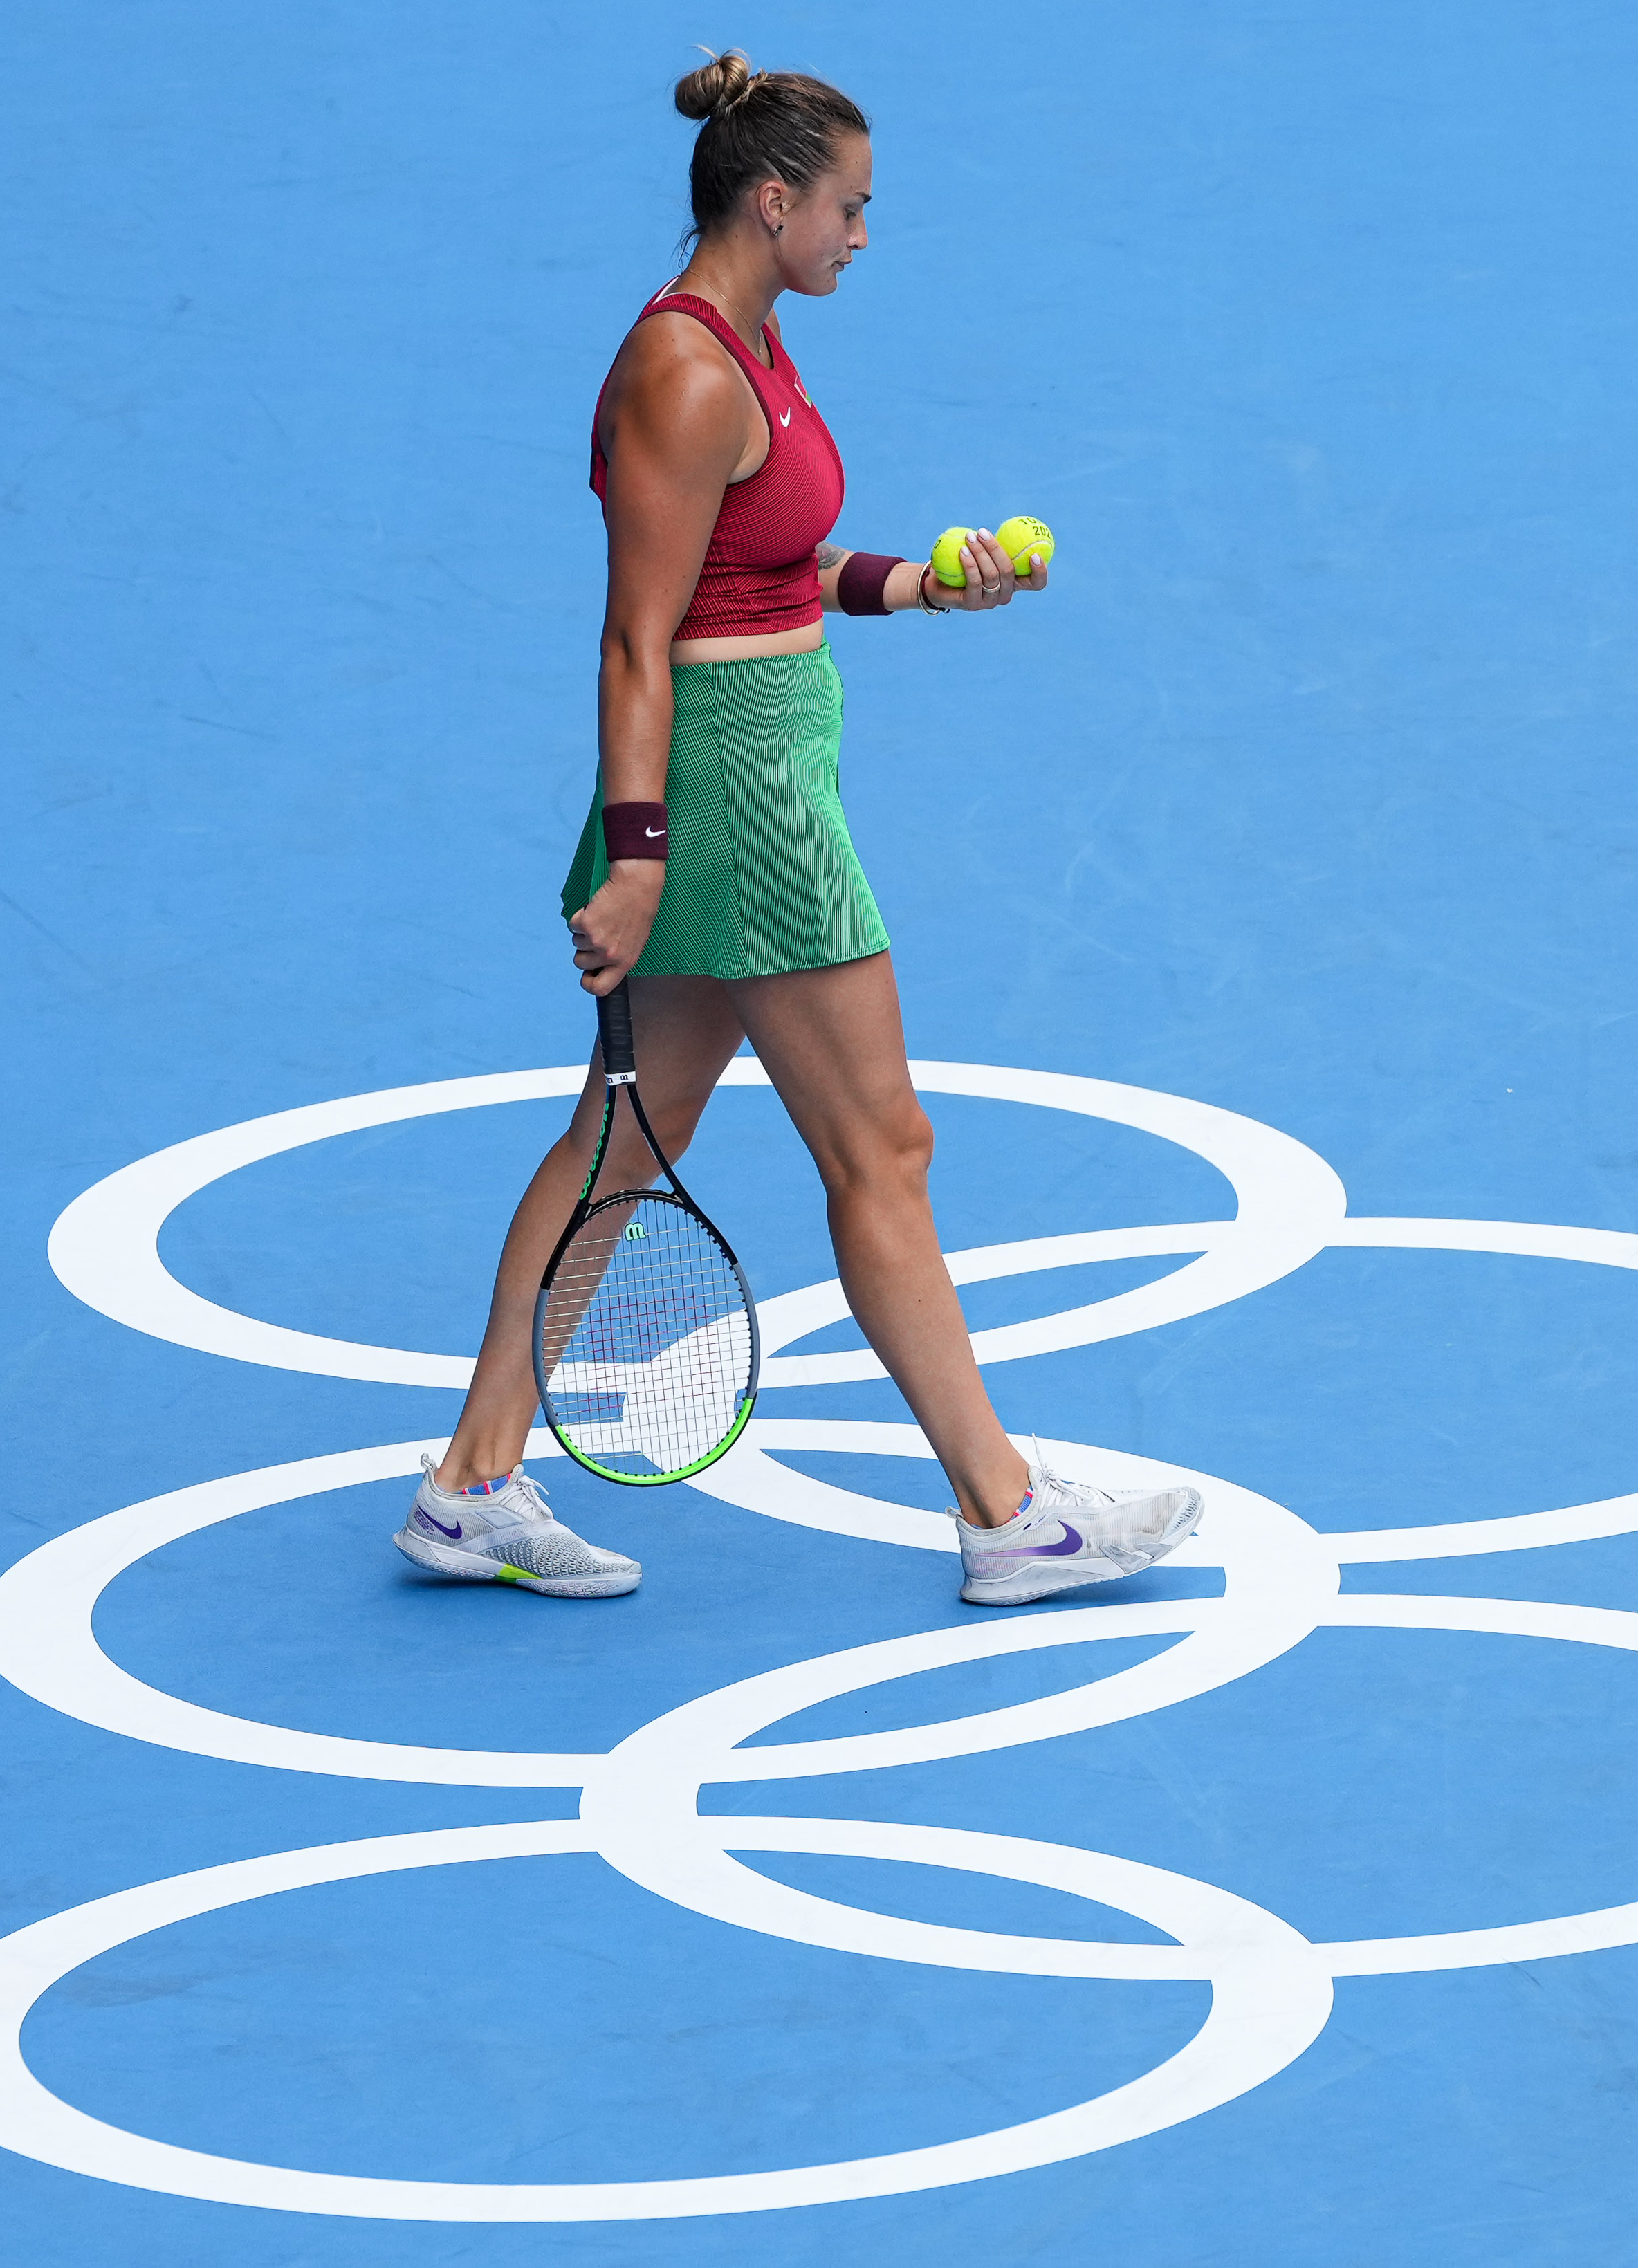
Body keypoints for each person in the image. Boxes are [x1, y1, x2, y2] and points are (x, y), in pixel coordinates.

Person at [388, 50, 1203, 1609]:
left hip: (754, 769)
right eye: (851, 207)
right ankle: (1008, 1514)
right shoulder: (687, 376)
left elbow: (775, 566)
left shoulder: (752, 343)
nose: (863, 235)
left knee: (626, 1140)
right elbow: (637, 639)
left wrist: (922, 584)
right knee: (880, 1145)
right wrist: (640, 856)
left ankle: (469, 1485)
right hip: (734, 799)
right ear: (773, 201)